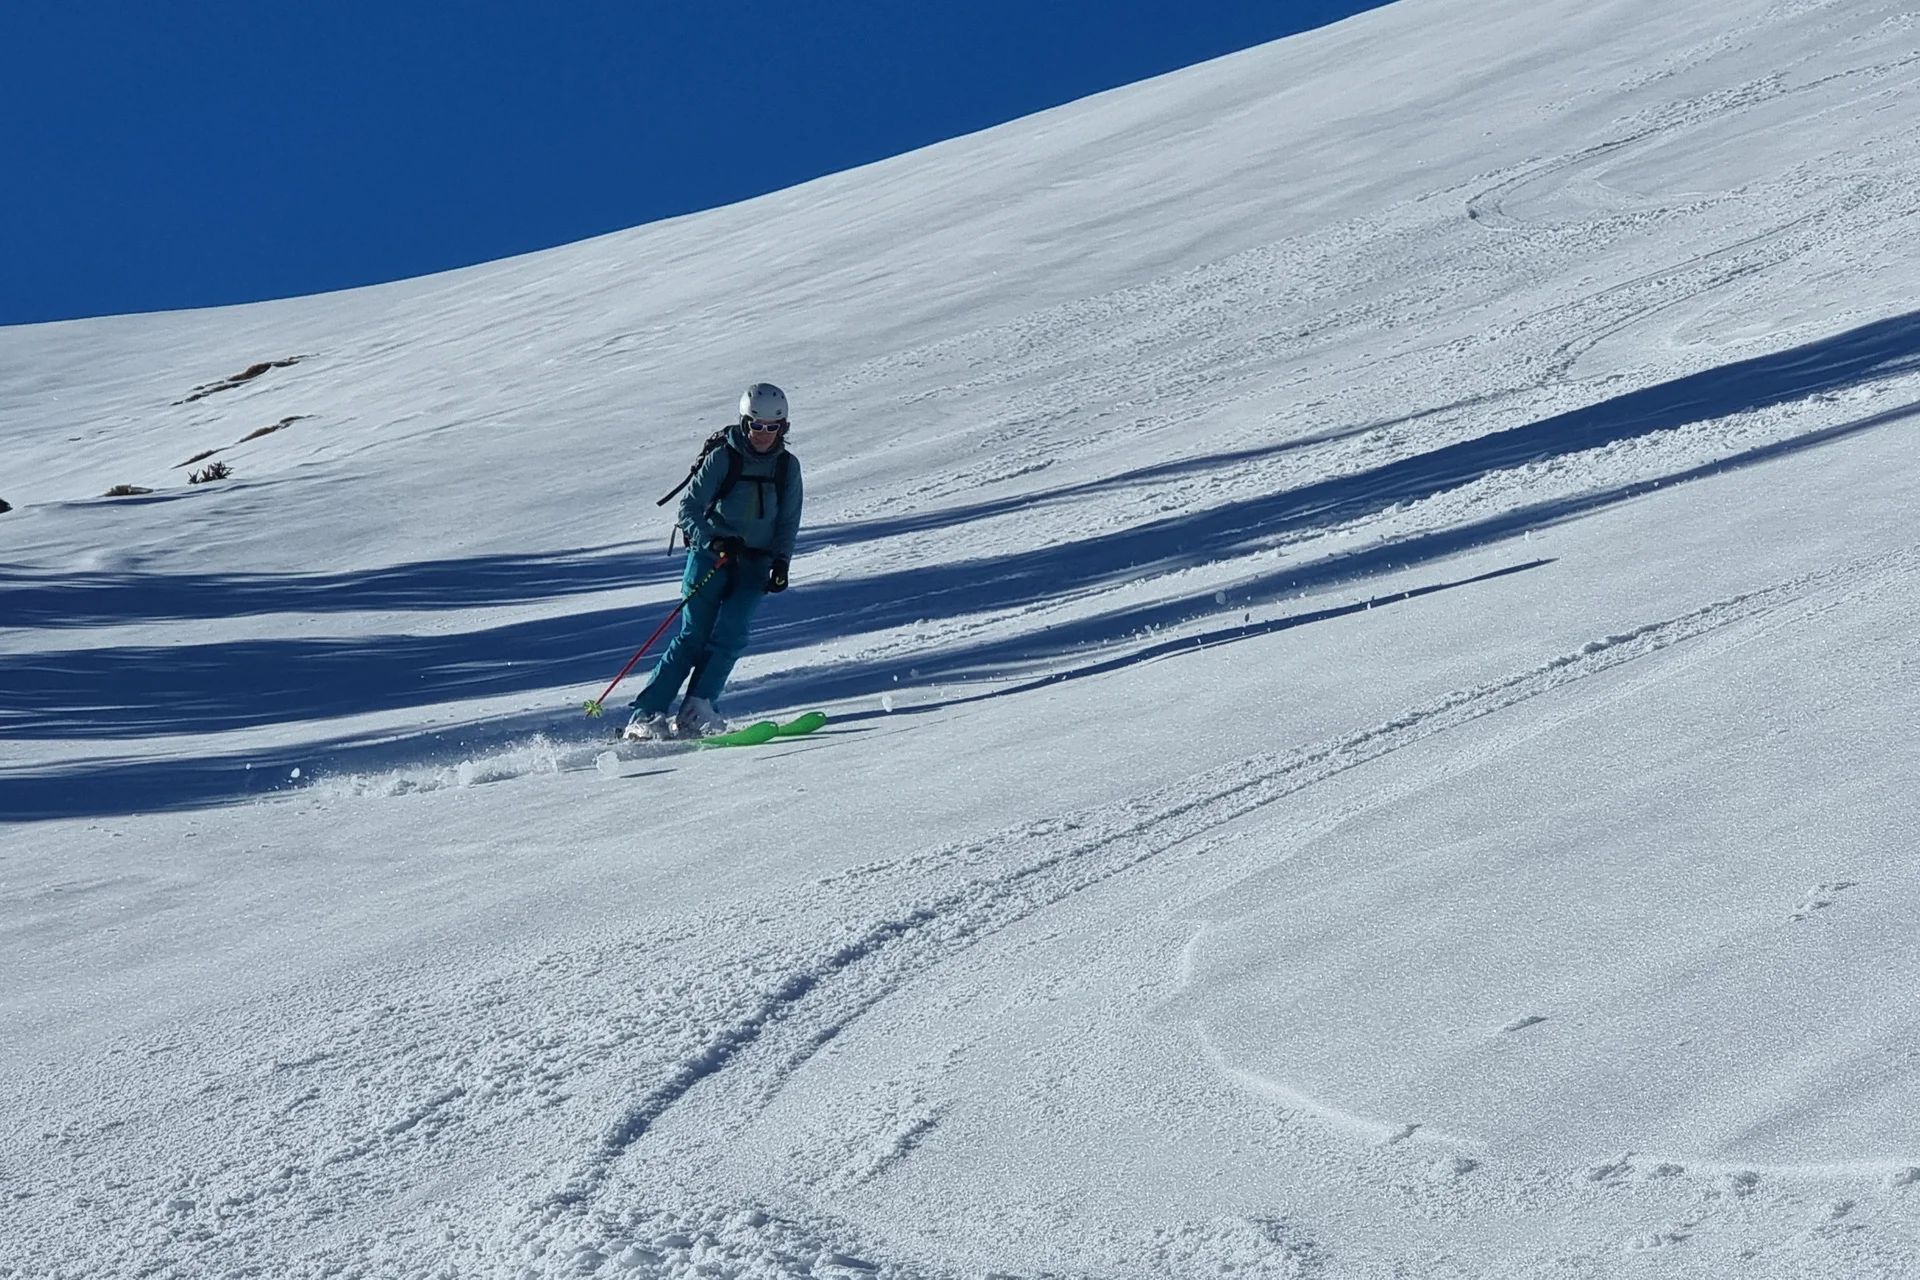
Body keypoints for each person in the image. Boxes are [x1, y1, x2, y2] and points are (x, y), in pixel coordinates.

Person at [624, 383, 803, 739]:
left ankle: (697, 708)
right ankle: (646, 716)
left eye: (772, 427)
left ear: (783, 427)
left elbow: (788, 521)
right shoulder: (724, 457)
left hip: (754, 564)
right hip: (711, 558)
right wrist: (713, 539)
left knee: (732, 635)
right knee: (693, 636)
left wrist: (781, 562)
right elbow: (689, 508)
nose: (763, 433)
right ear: (745, 422)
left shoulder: (787, 467)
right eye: (756, 425)